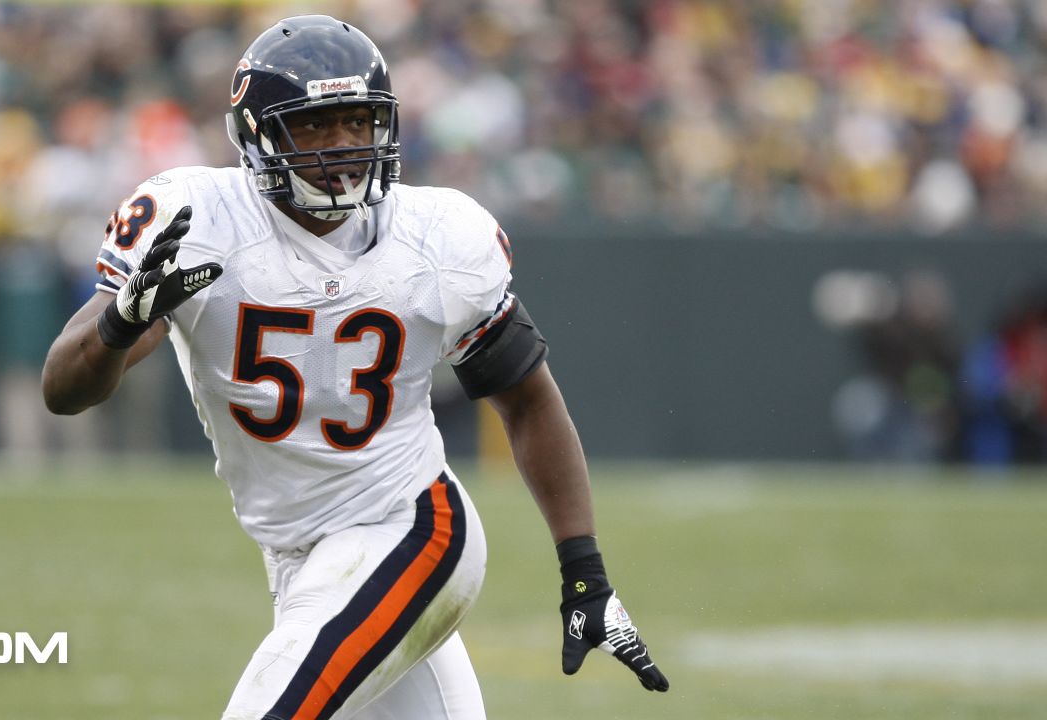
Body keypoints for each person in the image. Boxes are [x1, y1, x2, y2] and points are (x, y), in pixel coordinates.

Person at [42, 15, 668, 719]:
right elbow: (65, 391)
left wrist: (584, 570)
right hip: (301, 553)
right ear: (257, 135)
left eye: (359, 123)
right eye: (315, 127)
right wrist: (120, 323)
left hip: (412, 530)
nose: (342, 147)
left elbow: (528, 401)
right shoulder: (198, 221)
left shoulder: (436, 237)